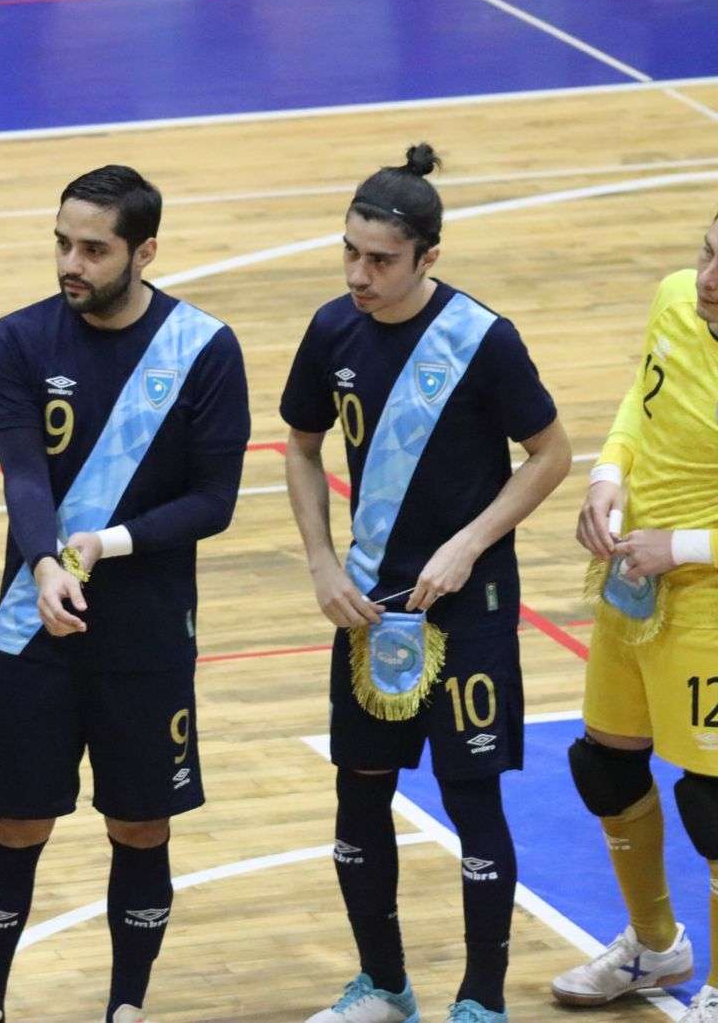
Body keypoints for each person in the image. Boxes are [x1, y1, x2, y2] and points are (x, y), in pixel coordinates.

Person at [281, 144, 570, 1023]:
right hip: (369, 602)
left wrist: (471, 543)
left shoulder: (484, 341)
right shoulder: (333, 329)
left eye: (381, 261)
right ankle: (383, 985)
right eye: (350, 253)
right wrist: (324, 564)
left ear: (429, 258)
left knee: (470, 791)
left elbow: (551, 454)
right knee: (359, 789)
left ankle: (481, 1000)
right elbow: (298, 443)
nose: (360, 275)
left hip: (467, 605)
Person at [0, 164, 250, 1023]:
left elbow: (214, 501)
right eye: (62, 243)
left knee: (140, 825)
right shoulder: (19, 340)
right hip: (35, 628)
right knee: (15, 822)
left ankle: (127, 1005)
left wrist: (105, 544)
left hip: (149, 635)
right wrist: (47, 563)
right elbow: (23, 477)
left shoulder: (203, 348)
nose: (70, 263)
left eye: (93, 248)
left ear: (144, 250)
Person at [551, 210, 718, 1021]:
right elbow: (640, 401)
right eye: (709, 253)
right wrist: (605, 477)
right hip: (632, 584)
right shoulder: (676, 300)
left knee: (717, 805)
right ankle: (656, 948)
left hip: (708, 604)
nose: (710, 280)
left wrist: (682, 546)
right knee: (606, 767)